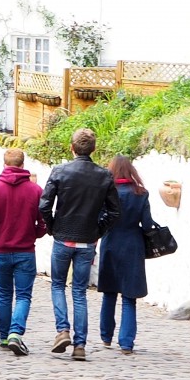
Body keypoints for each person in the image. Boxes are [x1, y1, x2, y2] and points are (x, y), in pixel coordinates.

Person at [38, 127, 121, 361]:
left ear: (72, 148)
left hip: (63, 237)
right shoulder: (104, 175)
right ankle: (80, 345)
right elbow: (115, 211)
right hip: (87, 240)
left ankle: (63, 330)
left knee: (57, 285)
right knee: (79, 292)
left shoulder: (60, 171)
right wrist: (99, 230)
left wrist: (52, 227)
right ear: (93, 149)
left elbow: (44, 205)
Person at [0, 146, 47, 356]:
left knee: (4, 294)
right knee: (24, 295)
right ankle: (16, 332)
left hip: (1, 250)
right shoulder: (35, 191)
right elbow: (44, 221)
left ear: (4, 165)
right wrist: (35, 234)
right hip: (25, 250)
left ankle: (4, 336)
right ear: (23, 166)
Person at [96, 153, 155, 354]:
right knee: (129, 296)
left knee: (109, 292)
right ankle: (127, 342)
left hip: (111, 242)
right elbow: (147, 224)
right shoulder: (141, 193)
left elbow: (100, 220)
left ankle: (106, 336)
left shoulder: (106, 192)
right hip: (132, 245)